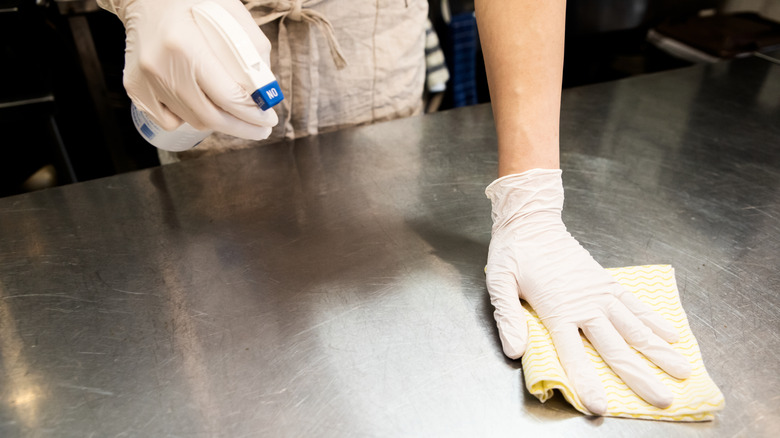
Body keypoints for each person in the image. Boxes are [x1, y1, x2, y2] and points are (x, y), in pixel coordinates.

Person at [98, 0, 691, 415]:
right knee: (232, 325)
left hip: (367, 32)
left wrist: (530, 201)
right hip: (202, 35)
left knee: (393, 355)